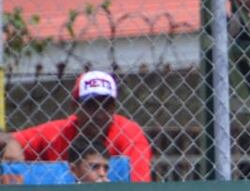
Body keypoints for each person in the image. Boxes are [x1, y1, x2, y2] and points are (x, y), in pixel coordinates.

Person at [0, 71, 153, 182]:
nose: (99, 114)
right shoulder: (59, 132)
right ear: (75, 107)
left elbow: (139, 190)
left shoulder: (129, 134)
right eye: (91, 105)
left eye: (107, 106)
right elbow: (7, 139)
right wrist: (10, 142)